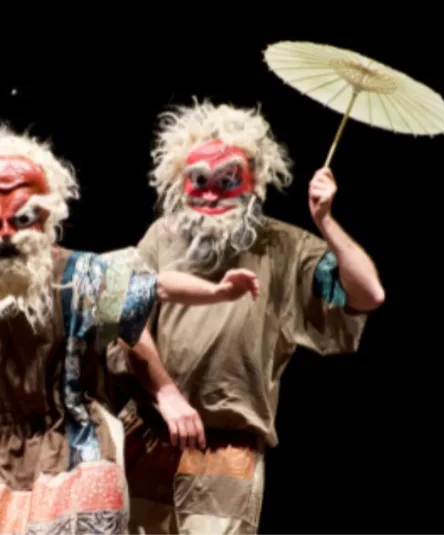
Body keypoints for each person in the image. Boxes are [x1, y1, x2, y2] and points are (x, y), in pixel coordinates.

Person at [112, 99, 385, 534]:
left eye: (227, 180)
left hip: (227, 448)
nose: (211, 193)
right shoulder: (163, 236)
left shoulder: (284, 247)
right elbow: (127, 319)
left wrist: (326, 222)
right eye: (199, 180)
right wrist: (166, 393)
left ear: (254, 181)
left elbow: (368, 294)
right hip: (148, 434)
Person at [0, 126, 260, 533]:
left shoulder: (78, 276)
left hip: (73, 450)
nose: (6, 235)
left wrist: (217, 291)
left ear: (46, 214)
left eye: (22, 219)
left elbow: (156, 285)